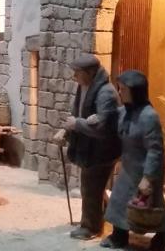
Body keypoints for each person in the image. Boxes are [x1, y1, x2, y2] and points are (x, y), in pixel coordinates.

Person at [100, 70, 165, 250]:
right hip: (128, 167)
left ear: (135, 91)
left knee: (152, 206)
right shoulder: (125, 112)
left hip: (145, 169)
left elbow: (155, 150)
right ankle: (119, 236)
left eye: (123, 90)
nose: (119, 93)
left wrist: (148, 178)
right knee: (119, 200)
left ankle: (163, 233)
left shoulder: (149, 116)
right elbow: (110, 119)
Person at [54, 54, 122, 241]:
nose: (73, 76)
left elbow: (102, 126)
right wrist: (66, 131)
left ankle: (90, 227)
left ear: (89, 73)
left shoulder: (105, 93)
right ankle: (104, 215)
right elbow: (77, 116)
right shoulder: (84, 86)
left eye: (77, 72)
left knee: (91, 187)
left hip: (102, 150)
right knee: (95, 187)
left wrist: (77, 124)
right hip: (90, 147)